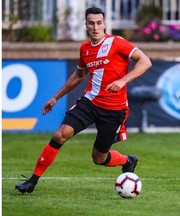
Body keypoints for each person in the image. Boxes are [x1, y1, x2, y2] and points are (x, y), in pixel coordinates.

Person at [15, 6, 152, 194]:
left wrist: (122, 81)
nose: (95, 27)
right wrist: (55, 97)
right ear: (86, 25)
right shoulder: (85, 49)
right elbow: (79, 76)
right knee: (60, 134)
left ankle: (128, 160)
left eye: (98, 23)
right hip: (90, 102)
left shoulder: (117, 43)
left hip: (114, 109)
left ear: (104, 24)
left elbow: (146, 61)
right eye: (91, 23)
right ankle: (32, 181)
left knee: (99, 158)